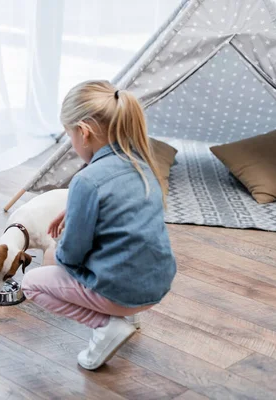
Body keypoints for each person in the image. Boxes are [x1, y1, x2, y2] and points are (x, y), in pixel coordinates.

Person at [21, 80, 176, 370]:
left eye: (70, 136)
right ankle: (125, 316)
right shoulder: (144, 165)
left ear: (84, 132)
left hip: (122, 293)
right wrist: (74, 208)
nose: (72, 144)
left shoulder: (87, 180)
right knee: (121, 249)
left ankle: (106, 324)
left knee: (34, 281)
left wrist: (55, 249)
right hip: (156, 286)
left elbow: (72, 254)